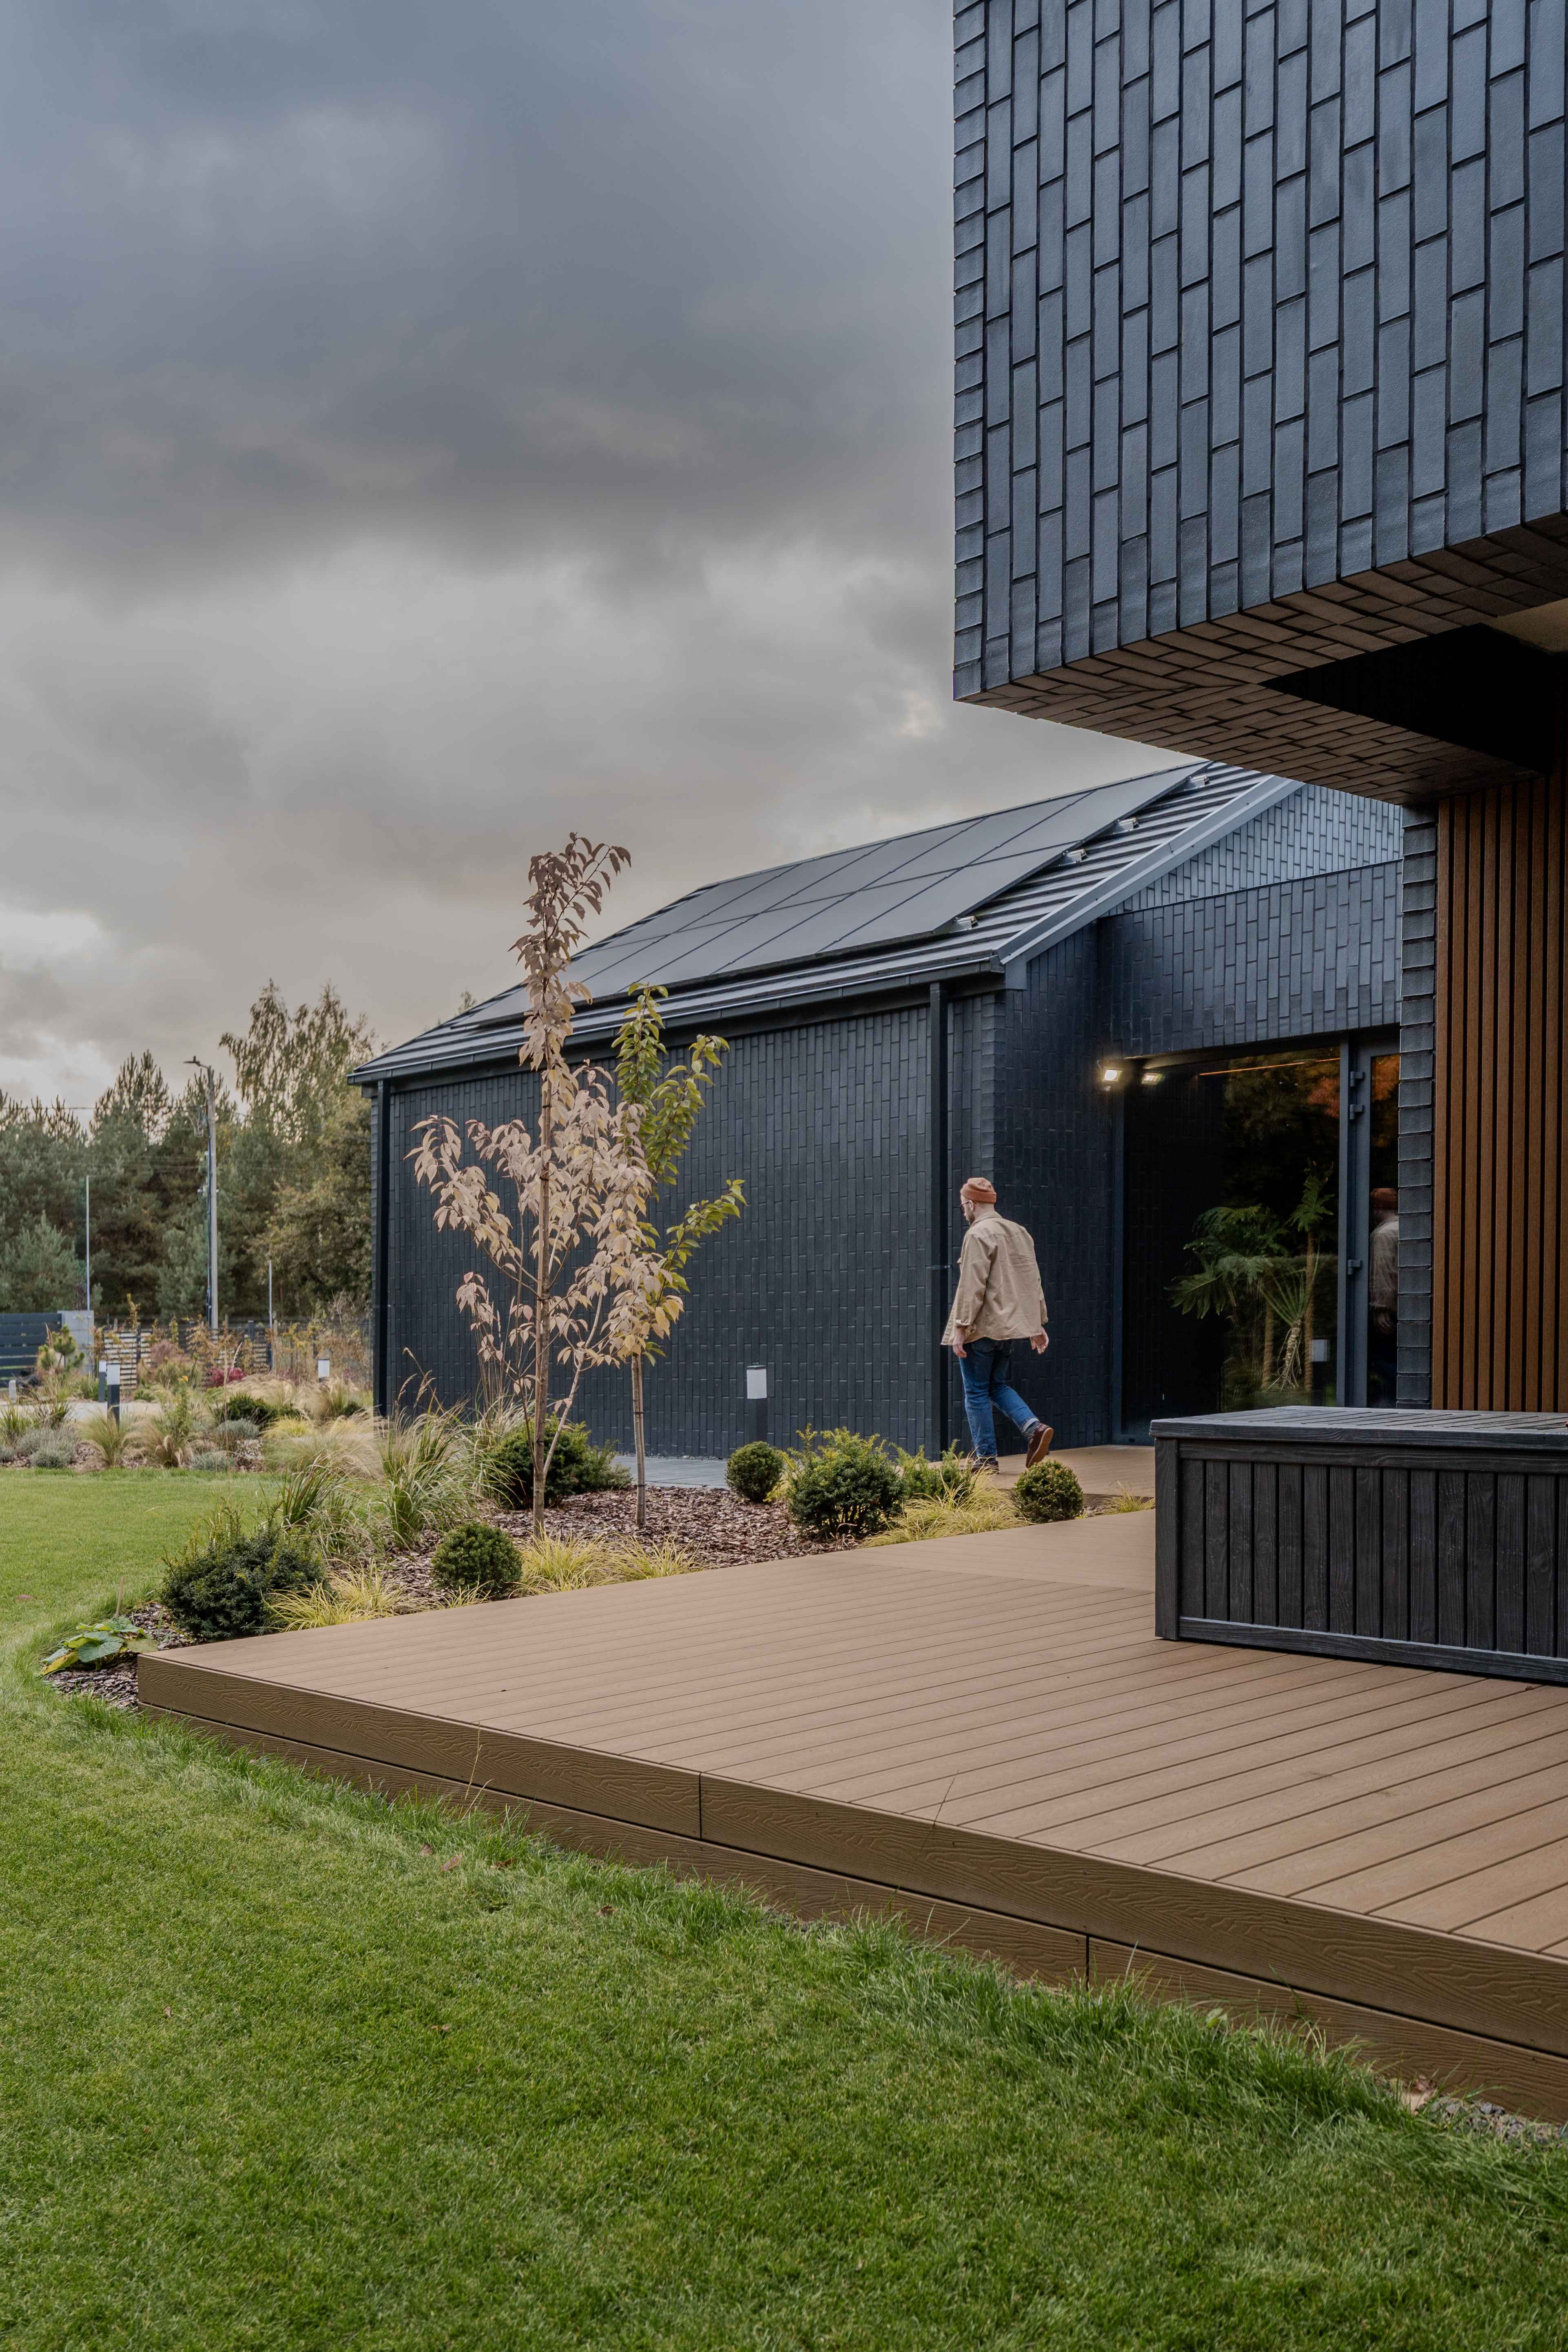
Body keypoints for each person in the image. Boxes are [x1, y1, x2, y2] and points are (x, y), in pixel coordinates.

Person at [941, 1176, 1053, 1472]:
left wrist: (960, 1327)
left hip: (982, 1329)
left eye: (962, 1206)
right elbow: (1032, 1281)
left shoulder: (978, 1234)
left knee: (976, 1392)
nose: (963, 1212)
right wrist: (1037, 1324)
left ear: (971, 1204)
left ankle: (986, 1458)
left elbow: (972, 1285)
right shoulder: (1019, 1232)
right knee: (996, 1385)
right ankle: (1034, 1428)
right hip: (1009, 1331)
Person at [1368, 1184, 1399, 1404]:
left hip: (1392, 1310)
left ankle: (1388, 1402)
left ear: (1378, 1209)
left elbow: (1383, 1273)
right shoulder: (1408, 1228)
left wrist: (1381, 1309)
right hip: (1409, 1307)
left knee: (1380, 1360)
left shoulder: (1383, 1234)